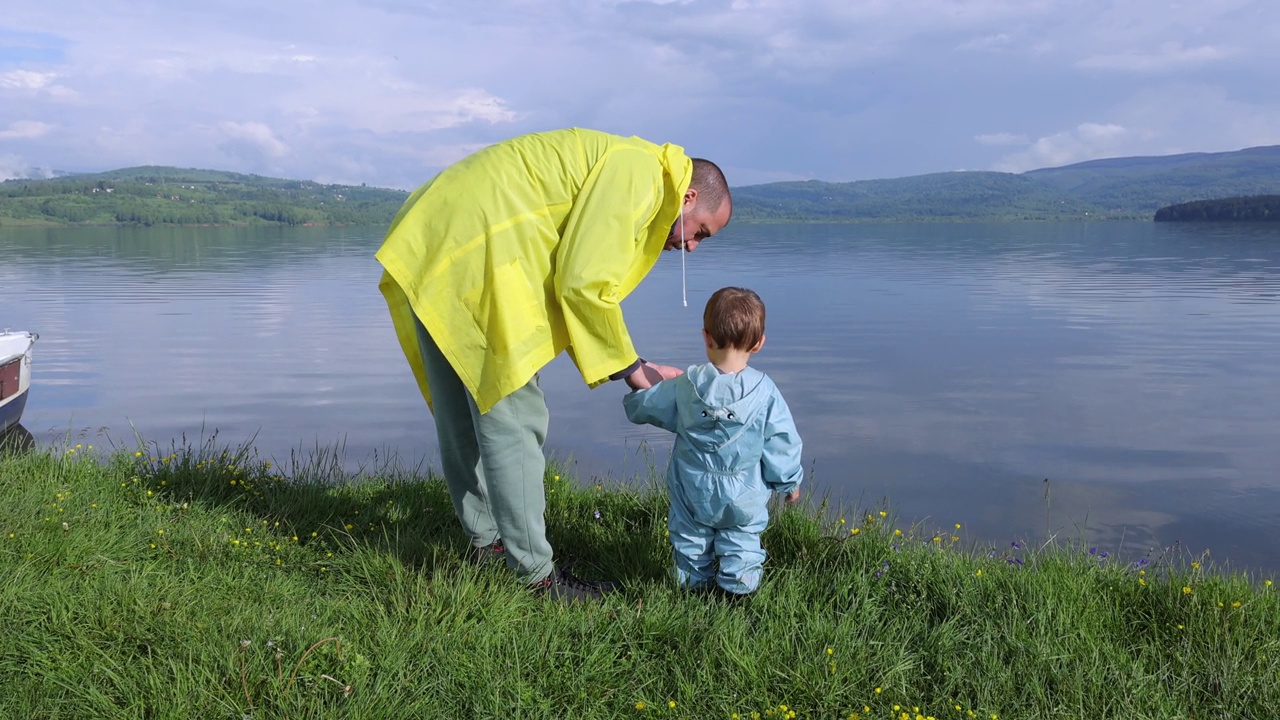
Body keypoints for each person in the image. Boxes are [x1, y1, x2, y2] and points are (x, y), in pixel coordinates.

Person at [376, 127, 733, 602]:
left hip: (437, 238)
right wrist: (634, 372)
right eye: (701, 233)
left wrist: (631, 362)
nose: (691, 248)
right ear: (688, 198)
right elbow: (583, 284)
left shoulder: (633, 163)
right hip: (479, 250)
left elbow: (571, 283)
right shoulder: (643, 175)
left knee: (460, 414)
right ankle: (538, 579)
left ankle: (486, 544)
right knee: (515, 419)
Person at [622, 287, 803, 597]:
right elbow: (781, 441)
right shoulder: (765, 392)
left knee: (691, 538)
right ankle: (737, 594)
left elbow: (649, 405)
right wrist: (789, 482)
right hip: (744, 492)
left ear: (706, 337)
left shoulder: (686, 385)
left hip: (693, 488)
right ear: (759, 344)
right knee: (742, 538)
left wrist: (634, 383)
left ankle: (694, 590)